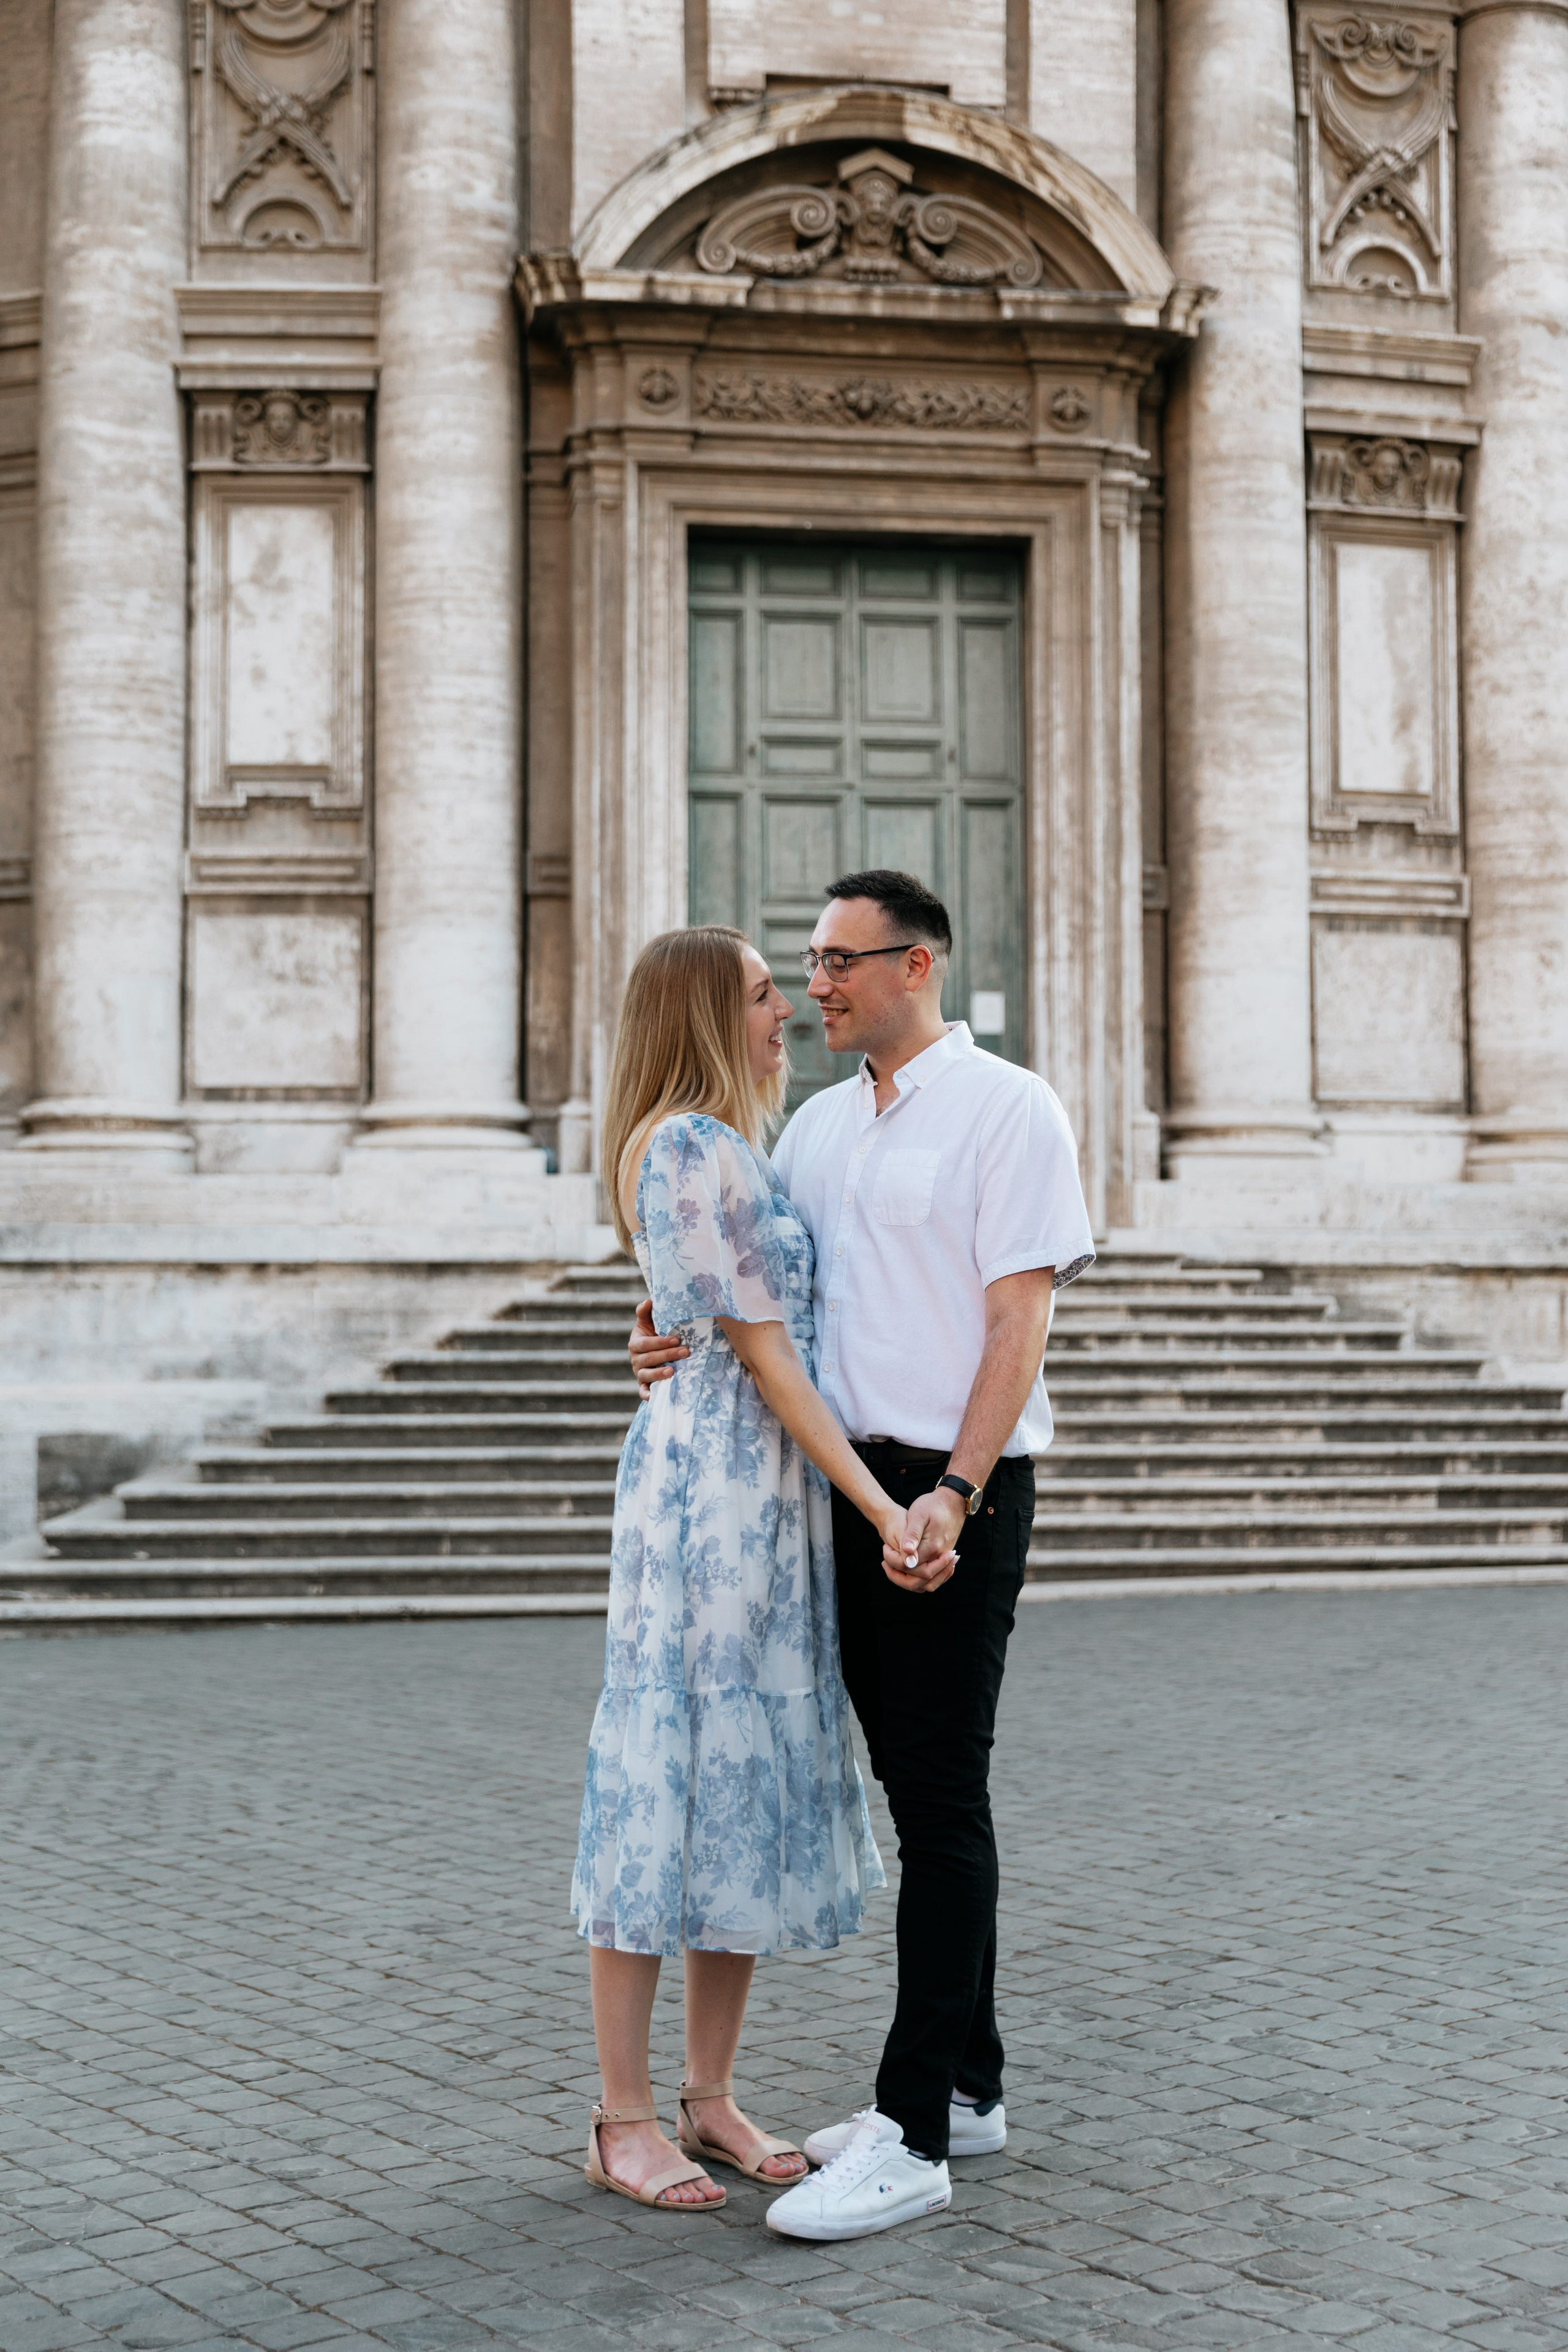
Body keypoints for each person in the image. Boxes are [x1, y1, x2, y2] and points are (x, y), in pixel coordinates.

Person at [630, 871, 1095, 2240]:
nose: (814, 983)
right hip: (846, 1492)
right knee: (913, 1790)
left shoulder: (1011, 1110)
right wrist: (647, 1327)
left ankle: (907, 2133)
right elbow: (748, 1281)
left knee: (942, 1796)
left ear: (918, 964)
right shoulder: (818, 1130)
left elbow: (1018, 1324)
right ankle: (966, 2089)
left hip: (957, 1486)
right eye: (808, 963)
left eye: (839, 961)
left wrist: (950, 1490)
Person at [573, 922, 952, 2214]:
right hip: (709, 1505)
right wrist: (879, 1497)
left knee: (731, 1785)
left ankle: (708, 2092)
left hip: (762, 1499)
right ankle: (621, 2118)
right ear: (697, 1016)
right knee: (663, 1778)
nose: (784, 1006)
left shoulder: (742, 1149)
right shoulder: (684, 1145)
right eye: (753, 994)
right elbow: (760, 1348)